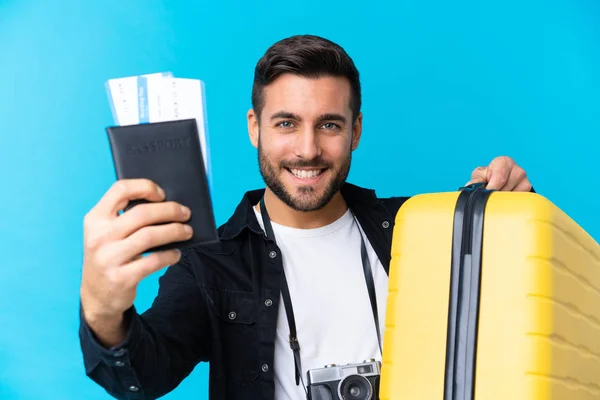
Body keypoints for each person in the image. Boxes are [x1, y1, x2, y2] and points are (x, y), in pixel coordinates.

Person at [78, 34, 534, 400]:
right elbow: (141, 377)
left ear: (355, 130)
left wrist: (514, 209)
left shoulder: (417, 227)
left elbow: (511, 295)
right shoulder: (208, 262)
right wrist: (101, 306)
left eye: (329, 124)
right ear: (254, 126)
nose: (308, 149)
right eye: (286, 123)